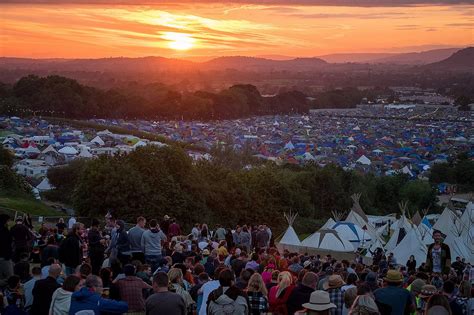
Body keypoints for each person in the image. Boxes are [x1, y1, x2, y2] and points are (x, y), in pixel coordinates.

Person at [0, 214, 13, 288]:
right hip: (5, 258)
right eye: (8, 221)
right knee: (10, 278)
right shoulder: (4, 231)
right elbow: (7, 245)